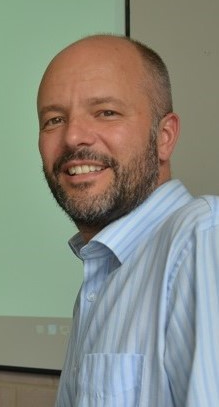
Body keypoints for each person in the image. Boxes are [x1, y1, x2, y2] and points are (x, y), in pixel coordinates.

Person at [37, 34, 219, 406]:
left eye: (106, 112)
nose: (73, 136)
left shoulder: (200, 241)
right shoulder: (104, 270)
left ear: (164, 137)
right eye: (54, 119)